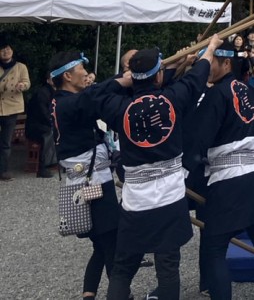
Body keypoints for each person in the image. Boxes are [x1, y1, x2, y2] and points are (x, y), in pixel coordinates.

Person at [95, 35, 224, 300]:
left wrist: (124, 80)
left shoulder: (119, 107)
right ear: (158, 77)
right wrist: (210, 47)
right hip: (169, 196)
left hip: (135, 200)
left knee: (122, 268)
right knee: (168, 267)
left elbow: (96, 94)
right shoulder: (173, 98)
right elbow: (199, 74)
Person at [190, 44, 254, 300]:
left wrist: (186, 166)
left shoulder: (216, 94)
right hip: (253, 177)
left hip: (226, 180)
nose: (206, 68)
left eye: (211, 62)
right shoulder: (249, 91)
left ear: (226, 63)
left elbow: (199, 137)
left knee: (214, 248)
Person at [50, 50, 123, 300]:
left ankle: (89, 294)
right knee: (112, 245)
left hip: (83, 182)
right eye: (81, 69)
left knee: (101, 245)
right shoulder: (69, 103)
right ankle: (121, 295)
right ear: (68, 76)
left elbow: (93, 94)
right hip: (94, 183)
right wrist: (124, 79)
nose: (86, 74)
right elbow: (96, 94)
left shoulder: (61, 101)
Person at [0, 35, 30, 180]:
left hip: (11, 108)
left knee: (6, 142)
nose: (6, 51)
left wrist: (22, 85)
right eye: (2, 50)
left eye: (8, 48)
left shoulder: (20, 67)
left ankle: (4, 170)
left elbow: (27, 82)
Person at [24, 73, 58, 177]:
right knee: (49, 133)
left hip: (46, 124)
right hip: (36, 126)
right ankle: (43, 167)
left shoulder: (56, 91)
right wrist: (54, 123)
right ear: (48, 80)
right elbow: (43, 113)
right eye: (52, 78)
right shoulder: (42, 93)